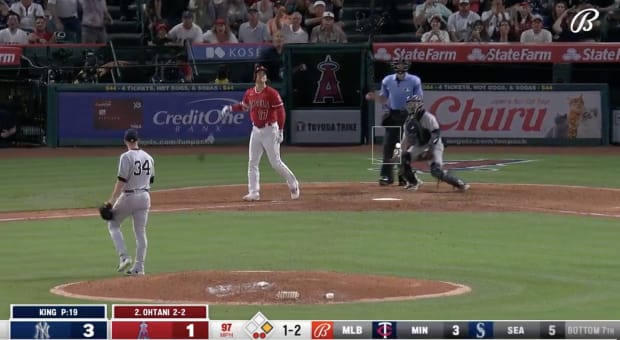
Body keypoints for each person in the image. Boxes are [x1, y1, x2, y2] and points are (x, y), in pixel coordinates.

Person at [221, 65, 300, 201]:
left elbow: (281, 112)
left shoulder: (272, 93)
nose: (262, 75)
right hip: (256, 130)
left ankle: (293, 183)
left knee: (275, 162)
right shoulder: (250, 93)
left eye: (264, 73)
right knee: (252, 162)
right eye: (260, 73)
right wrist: (230, 108)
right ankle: (254, 192)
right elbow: (243, 106)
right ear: (255, 76)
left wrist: (281, 130)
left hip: (270, 130)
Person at [365, 58, 423, 186]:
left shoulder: (414, 80)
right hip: (393, 114)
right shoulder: (387, 80)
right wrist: (374, 97)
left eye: (403, 64)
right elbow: (384, 98)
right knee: (388, 146)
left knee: (403, 148)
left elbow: (418, 98)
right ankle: (386, 176)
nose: (401, 66)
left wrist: (412, 114)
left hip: (408, 115)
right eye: (398, 64)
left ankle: (403, 176)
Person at [105, 128, 155, 276]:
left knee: (113, 224)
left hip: (129, 197)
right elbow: (151, 179)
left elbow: (121, 181)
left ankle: (124, 257)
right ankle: (139, 268)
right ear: (137, 140)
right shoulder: (149, 157)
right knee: (140, 233)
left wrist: (111, 202)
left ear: (125, 141)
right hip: (145, 197)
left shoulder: (126, 157)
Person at [398, 95, 470, 192]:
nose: (411, 106)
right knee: (401, 159)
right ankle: (414, 182)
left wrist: (429, 149)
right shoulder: (408, 121)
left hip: (434, 145)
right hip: (419, 146)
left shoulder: (428, 117)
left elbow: (435, 133)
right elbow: (405, 140)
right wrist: (400, 151)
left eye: (413, 104)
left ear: (419, 104)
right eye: (409, 104)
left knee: (436, 171)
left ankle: (460, 184)